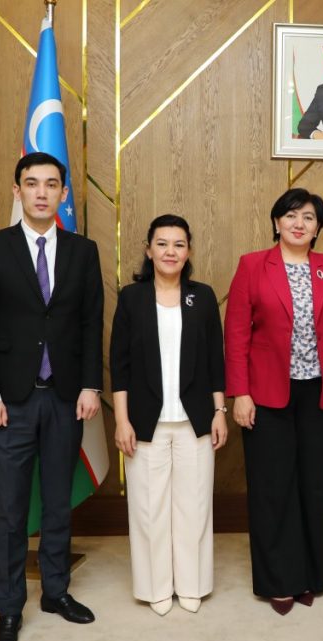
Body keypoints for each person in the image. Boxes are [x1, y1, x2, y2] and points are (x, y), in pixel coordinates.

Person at [0, 152, 103, 641]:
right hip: (10, 401)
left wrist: (90, 385)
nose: (41, 192)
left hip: (66, 398)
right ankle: (8, 608)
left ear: (64, 194)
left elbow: (91, 322)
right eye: (32, 183)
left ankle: (55, 591)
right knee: (9, 510)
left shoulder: (83, 251)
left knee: (57, 502)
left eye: (51, 184)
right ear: (17, 191)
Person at [224, 187, 323, 615]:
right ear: (276, 222)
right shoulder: (252, 266)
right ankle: (279, 580)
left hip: (320, 393)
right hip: (266, 394)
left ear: (318, 228)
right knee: (272, 487)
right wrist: (240, 393)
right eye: (291, 215)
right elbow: (236, 334)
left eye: (309, 217)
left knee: (314, 485)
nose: (299, 223)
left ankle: (312, 575)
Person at [110, 214, 227, 617]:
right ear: (148, 250)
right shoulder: (131, 298)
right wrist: (121, 420)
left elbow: (215, 361)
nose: (170, 252)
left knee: (194, 507)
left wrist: (219, 411)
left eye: (179, 244)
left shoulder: (203, 297)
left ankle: (192, 584)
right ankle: (155, 586)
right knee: (149, 508)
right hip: (145, 420)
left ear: (188, 251)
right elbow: (119, 365)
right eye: (162, 244)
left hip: (195, 419)